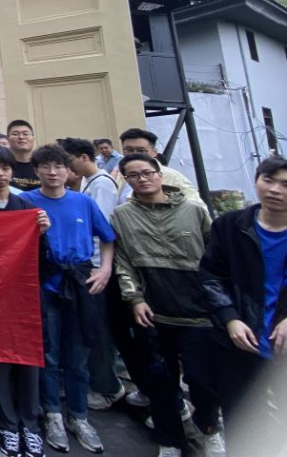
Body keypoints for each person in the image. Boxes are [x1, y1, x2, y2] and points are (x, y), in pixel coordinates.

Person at [110, 154, 224, 457]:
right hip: (153, 311)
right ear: (126, 181)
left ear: (160, 175)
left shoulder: (193, 210)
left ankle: (209, 427)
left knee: (202, 379)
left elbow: (215, 257)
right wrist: (134, 299)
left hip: (198, 309)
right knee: (159, 381)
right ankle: (170, 440)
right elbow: (123, 262)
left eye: (147, 173)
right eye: (134, 175)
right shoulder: (121, 215)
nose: (142, 179)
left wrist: (217, 300)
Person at [21, 145, 115, 455]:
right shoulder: (25, 202)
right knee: (47, 354)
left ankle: (79, 415)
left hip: (80, 282)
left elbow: (108, 238)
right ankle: (52, 415)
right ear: (36, 171)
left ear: (68, 170)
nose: (52, 172)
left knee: (78, 354)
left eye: (58, 167)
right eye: (45, 167)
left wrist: (105, 269)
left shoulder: (83, 202)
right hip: (44, 283)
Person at [200, 156, 287, 454]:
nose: (274, 190)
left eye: (285, 184)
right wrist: (230, 318)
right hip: (238, 340)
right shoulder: (230, 226)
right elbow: (211, 275)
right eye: (268, 180)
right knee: (240, 419)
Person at [0, 146, 49, 457]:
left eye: (5, 168)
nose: (1, 174)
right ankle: (7, 426)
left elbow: (42, 260)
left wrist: (42, 234)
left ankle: (30, 426)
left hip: (23, 296)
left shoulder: (26, 207)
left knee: (28, 360)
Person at [59, 137, 126, 412]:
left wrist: (102, 267)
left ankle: (108, 387)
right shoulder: (88, 183)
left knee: (98, 330)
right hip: (88, 266)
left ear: (83, 157)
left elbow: (101, 228)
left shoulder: (101, 184)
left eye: (68, 160)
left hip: (96, 268)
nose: (66, 167)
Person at [114, 128, 201, 206]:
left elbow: (197, 208)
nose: (134, 154)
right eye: (129, 150)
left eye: (141, 151)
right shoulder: (121, 175)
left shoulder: (172, 177)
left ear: (154, 152)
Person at [6, 120, 40, 192]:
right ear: (8, 139)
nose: (21, 137)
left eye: (26, 134)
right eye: (15, 134)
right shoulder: (3, 165)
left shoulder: (42, 165)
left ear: (33, 138)